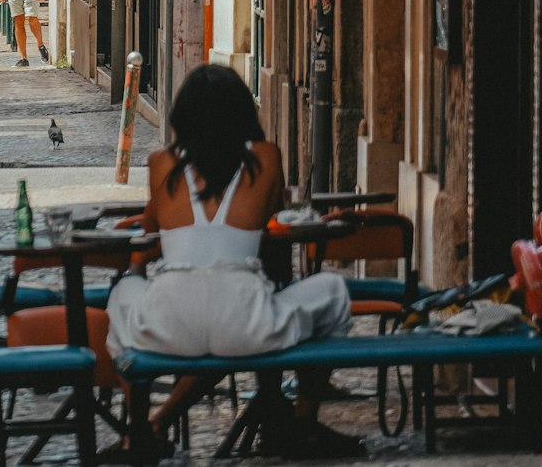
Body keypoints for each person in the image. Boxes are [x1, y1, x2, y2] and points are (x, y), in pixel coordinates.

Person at [105, 64, 355, 457]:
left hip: (170, 322)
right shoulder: (267, 158)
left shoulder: (161, 163)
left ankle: (138, 428)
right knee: (334, 290)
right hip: (246, 321)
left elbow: (153, 235)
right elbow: (272, 221)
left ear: (182, 116)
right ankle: (302, 419)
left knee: (123, 294)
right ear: (244, 112)